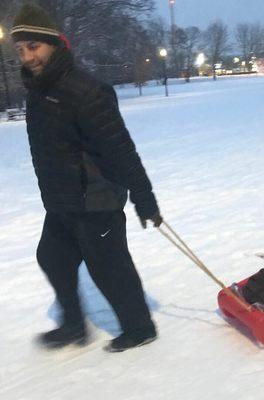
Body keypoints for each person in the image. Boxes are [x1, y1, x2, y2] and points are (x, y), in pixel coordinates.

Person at [11, 3, 162, 352]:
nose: (27, 57)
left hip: (96, 201)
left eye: (33, 47)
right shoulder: (38, 90)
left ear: (54, 45)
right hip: (63, 200)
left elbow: (121, 150)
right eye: (20, 50)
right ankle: (74, 326)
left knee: (109, 268)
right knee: (52, 257)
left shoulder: (87, 91)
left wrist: (144, 198)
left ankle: (140, 328)